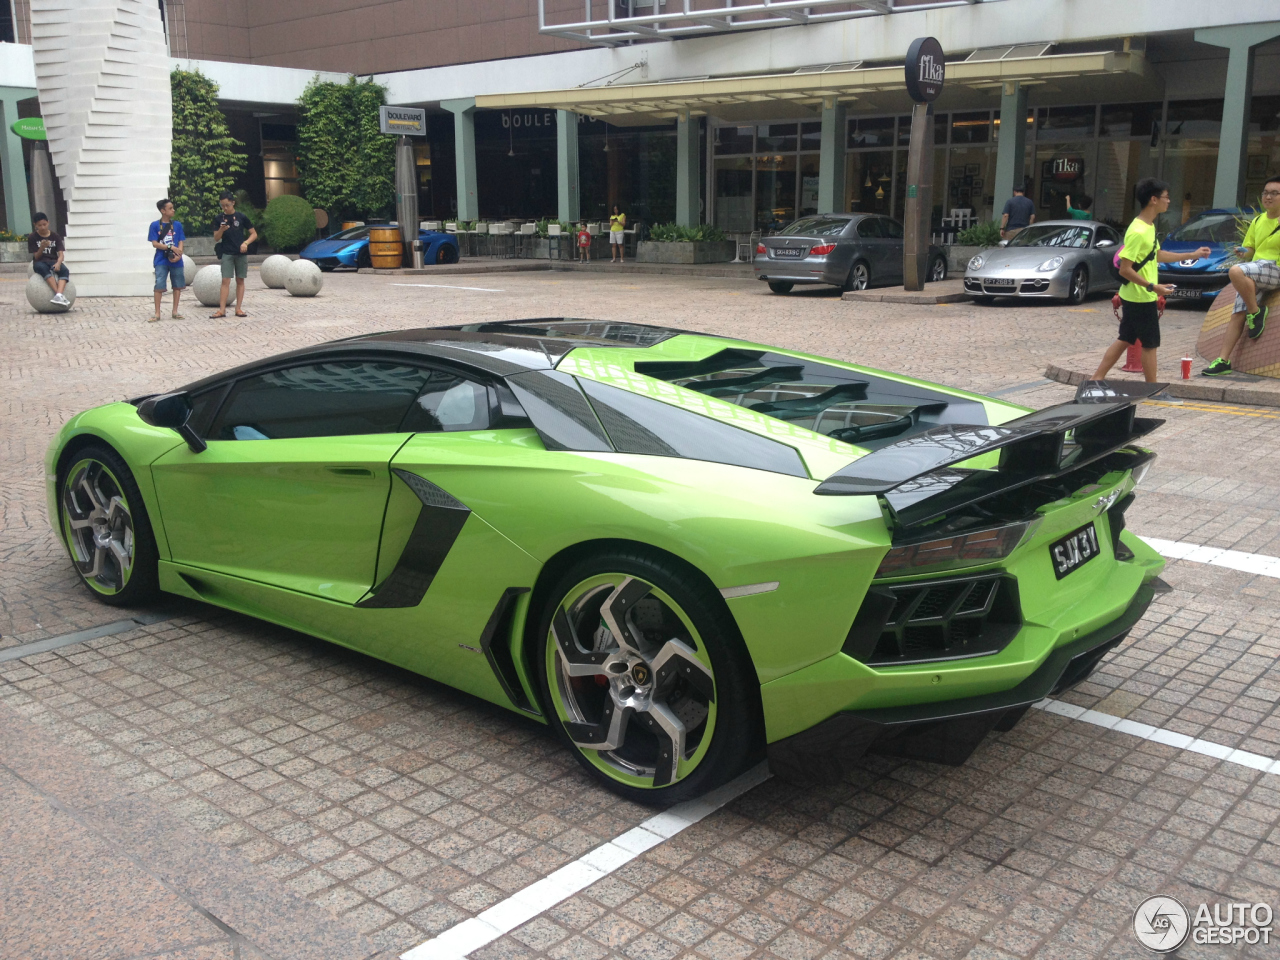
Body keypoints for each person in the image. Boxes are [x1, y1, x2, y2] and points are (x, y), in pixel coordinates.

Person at [1090, 178, 1210, 386]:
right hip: (1140, 297)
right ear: (1153, 199)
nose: (1169, 201)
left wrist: (1192, 254)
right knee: (1150, 344)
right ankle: (1152, 388)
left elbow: (1156, 255)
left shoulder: (1148, 226)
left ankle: (1097, 378)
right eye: (1166, 197)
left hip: (1137, 294)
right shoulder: (1138, 231)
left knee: (1125, 339)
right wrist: (1153, 287)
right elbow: (1126, 269)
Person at [1202, 173, 1280, 376]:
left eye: (1274, 193)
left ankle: (1256, 313)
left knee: (1235, 270)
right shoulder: (1258, 221)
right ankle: (1223, 360)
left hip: (1276, 269)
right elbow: (1251, 250)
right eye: (1265, 193)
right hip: (1258, 270)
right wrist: (1243, 251)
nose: (1268, 197)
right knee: (1237, 312)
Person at [211, 191, 257, 318]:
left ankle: (238, 308)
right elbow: (216, 237)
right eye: (222, 206)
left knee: (240, 279)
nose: (225, 208)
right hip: (227, 252)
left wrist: (246, 243)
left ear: (233, 203)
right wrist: (221, 229)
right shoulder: (219, 218)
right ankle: (222, 309)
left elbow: (253, 233)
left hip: (241, 253)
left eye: (227, 205)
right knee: (225, 279)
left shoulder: (241, 217)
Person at [148, 198, 186, 322]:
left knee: (177, 285)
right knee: (159, 284)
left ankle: (175, 311)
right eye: (170, 208)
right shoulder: (155, 225)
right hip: (161, 259)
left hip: (176, 260)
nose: (173, 210)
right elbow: (155, 243)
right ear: (163, 211)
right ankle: (157, 313)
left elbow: (181, 241)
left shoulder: (177, 225)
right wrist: (170, 247)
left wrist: (179, 254)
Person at [28, 212, 71, 307]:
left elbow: (61, 254)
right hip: (40, 262)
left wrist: (58, 263)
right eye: (39, 225)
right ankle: (59, 295)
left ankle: (59, 295)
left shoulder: (55, 236)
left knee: (64, 271)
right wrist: (42, 248)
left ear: (48, 222)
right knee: (43, 269)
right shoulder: (32, 237)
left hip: (53, 261)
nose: (43, 227)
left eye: (44, 224)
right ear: (35, 225)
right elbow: (36, 257)